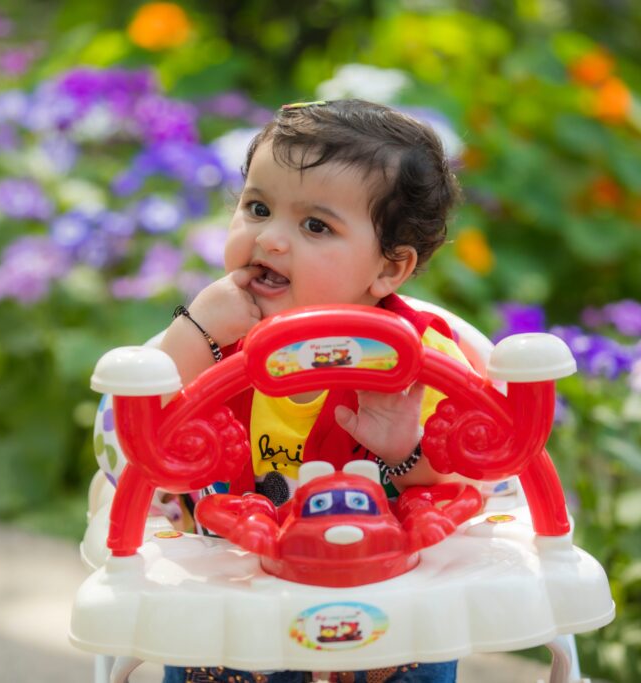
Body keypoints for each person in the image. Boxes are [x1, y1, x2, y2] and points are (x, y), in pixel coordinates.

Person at [158, 99, 467, 683]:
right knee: (200, 628)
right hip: (236, 586)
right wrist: (193, 333)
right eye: (257, 207)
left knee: (430, 622)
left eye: (315, 225)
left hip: (384, 593)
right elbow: (141, 438)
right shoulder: (214, 334)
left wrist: (405, 453)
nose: (270, 239)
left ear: (389, 269)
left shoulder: (419, 360)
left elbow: (469, 488)